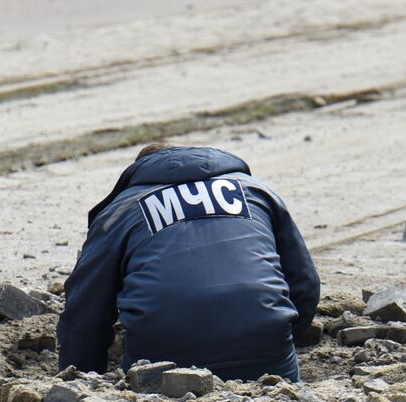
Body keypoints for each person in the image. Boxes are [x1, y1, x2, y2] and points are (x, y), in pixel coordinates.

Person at [57, 145, 321, 381]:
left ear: (137, 174)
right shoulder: (257, 191)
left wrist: (79, 377)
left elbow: (86, 309)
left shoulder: (121, 210)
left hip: (162, 365)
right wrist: (277, 336)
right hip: (266, 354)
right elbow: (304, 284)